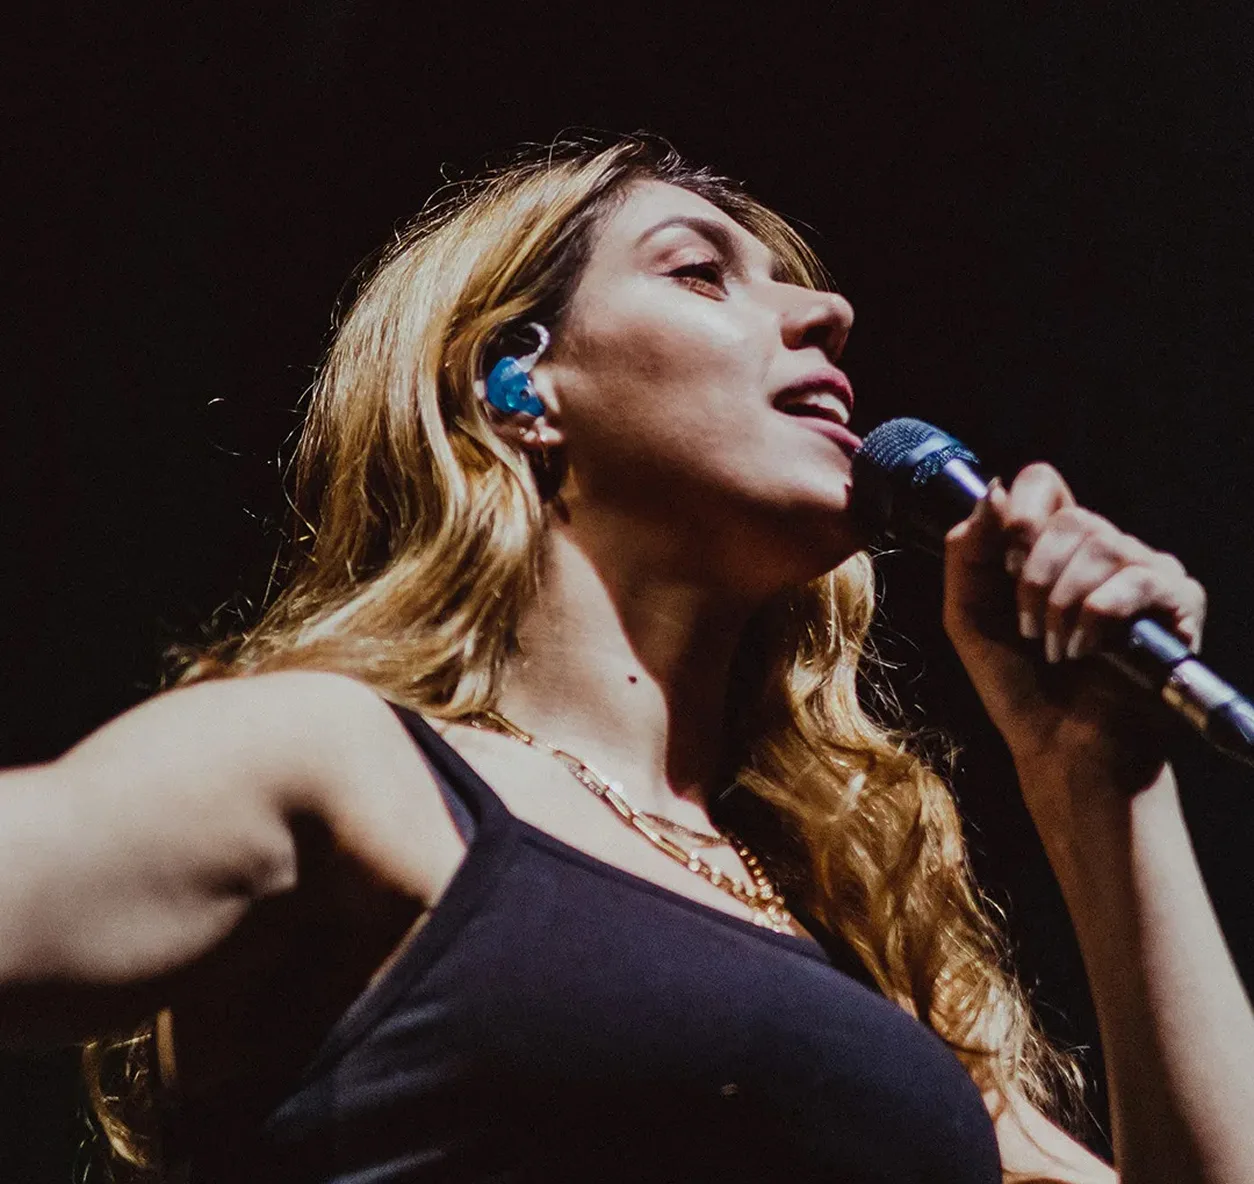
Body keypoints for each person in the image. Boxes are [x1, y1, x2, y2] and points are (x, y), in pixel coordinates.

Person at [2, 135, 1251, 1184]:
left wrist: (1100, 779)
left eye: (793, 283)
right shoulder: (344, 762)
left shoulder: (858, 944)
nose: (828, 311)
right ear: (519, 386)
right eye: (701, 272)